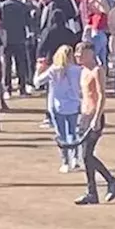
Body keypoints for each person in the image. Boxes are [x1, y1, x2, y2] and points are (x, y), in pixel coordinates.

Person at [72, 40, 115, 205]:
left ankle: (110, 181)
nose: (77, 57)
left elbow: (101, 95)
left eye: (81, 54)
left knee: (87, 154)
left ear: (90, 54)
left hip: (95, 116)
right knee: (85, 157)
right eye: (76, 54)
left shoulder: (97, 70)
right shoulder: (83, 71)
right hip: (84, 115)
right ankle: (93, 192)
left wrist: (96, 117)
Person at [35, 45, 84, 173]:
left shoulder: (53, 70)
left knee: (61, 134)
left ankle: (65, 162)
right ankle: (75, 159)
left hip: (57, 106)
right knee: (72, 132)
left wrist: (39, 69)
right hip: (73, 105)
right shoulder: (77, 70)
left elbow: (37, 82)